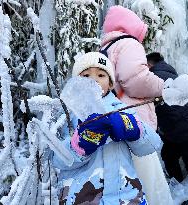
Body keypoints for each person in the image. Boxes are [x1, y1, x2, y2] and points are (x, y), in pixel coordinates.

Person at [53, 52, 161, 204]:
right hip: (82, 197)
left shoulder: (121, 110)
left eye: (101, 75)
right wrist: (79, 145)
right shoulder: (67, 115)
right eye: (86, 75)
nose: (94, 80)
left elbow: (153, 145)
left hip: (126, 195)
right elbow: (56, 159)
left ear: (111, 84)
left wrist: (133, 129)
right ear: (76, 82)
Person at [100, 5, 173, 204]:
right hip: (134, 126)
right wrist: (166, 87)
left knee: (131, 187)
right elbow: (136, 81)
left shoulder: (107, 48)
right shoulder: (128, 43)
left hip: (118, 127)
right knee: (151, 187)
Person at [146, 52, 188, 189]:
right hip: (186, 126)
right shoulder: (168, 73)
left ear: (149, 65)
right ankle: (179, 188)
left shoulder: (155, 77)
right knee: (169, 155)